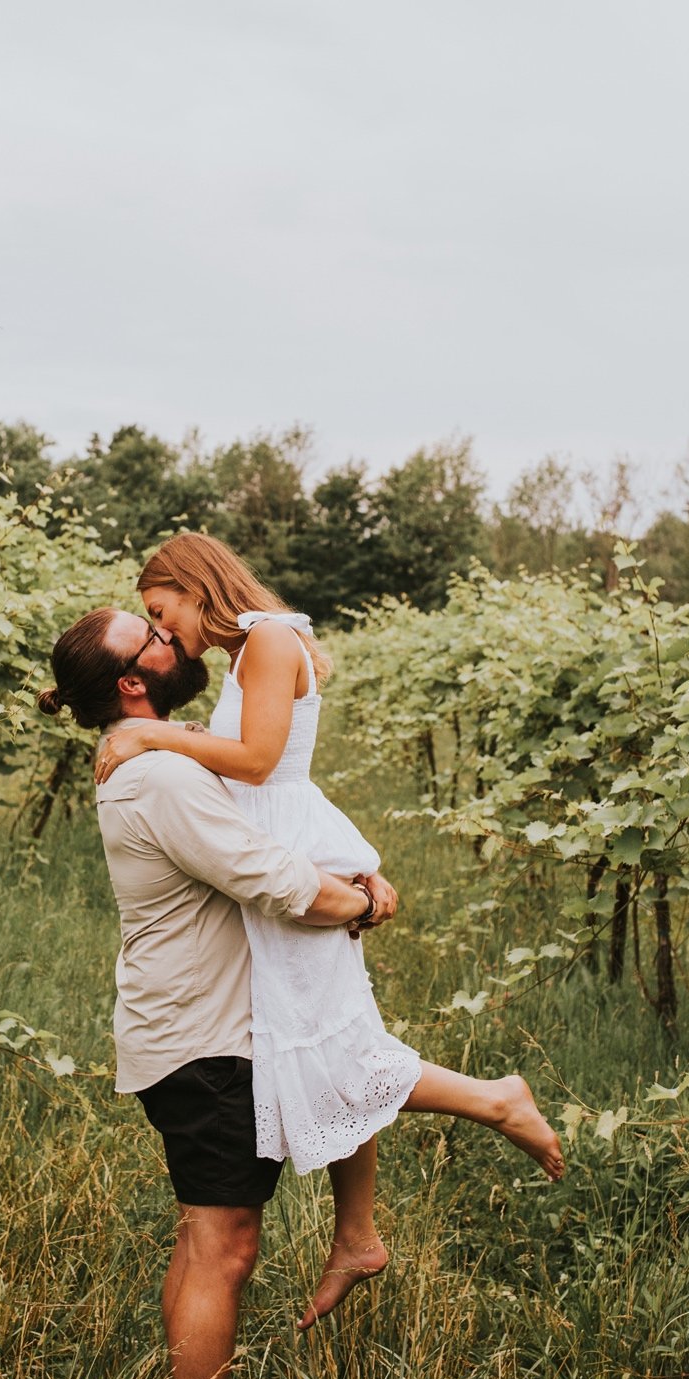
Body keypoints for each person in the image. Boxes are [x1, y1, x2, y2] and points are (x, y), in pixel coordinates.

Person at [94, 534, 564, 1332]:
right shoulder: (254, 651)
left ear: (191, 582)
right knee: (322, 1043)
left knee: (332, 1044)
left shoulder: (271, 640)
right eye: (151, 621)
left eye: (159, 608)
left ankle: (493, 1102)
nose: (163, 627)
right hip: (284, 851)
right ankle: (357, 1232)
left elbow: (255, 758)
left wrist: (149, 733)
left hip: (291, 854)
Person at [37, 603, 396, 1379]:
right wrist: (363, 905)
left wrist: (348, 875)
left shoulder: (160, 754)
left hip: (202, 1028)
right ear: (132, 681)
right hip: (205, 1038)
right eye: (153, 636)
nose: (175, 640)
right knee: (223, 1244)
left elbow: (270, 829)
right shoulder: (159, 777)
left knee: (212, 1240)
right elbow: (273, 882)